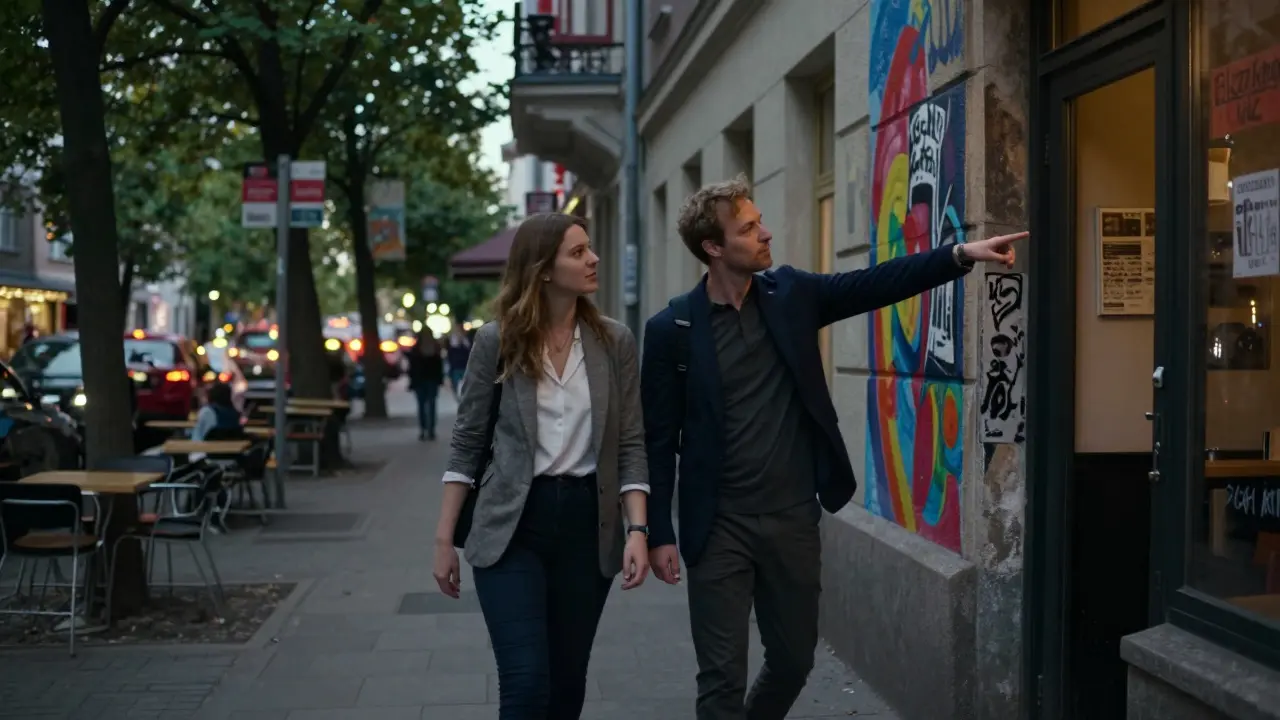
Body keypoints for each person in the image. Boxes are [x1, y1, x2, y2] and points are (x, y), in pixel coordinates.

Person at [640, 176, 1026, 719]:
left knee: (794, 660)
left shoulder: (791, 295)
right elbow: (657, 440)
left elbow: (873, 283)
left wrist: (959, 255)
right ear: (713, 247)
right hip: (719, 524)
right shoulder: (673, 330)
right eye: (749, 228)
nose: (766, 232)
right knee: (721, 678)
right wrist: (657, 531)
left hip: (792, 516)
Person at [432, 212, 651, 720]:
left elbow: (631, 442)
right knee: (526, 685)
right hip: (513, 526)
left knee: (566, 687)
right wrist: (445, 540)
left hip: (586, 525)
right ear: (543, 269)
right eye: (578, 252)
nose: (594, 259)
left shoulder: (614, 342)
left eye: (590, 248)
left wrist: (637, 527)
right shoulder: (498, 340)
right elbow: (467, 443)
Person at [407, 332, 444, 440]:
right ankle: (430, 430)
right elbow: (439, 367)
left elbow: (412, 368)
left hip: (421, 381)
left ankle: (424, 429)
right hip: (431, 380)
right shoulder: (435, 349)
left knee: (422, 405)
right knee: (431, 405)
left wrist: (412, 382)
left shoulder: (416, 350)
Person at [445, 325, 472, 399]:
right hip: (455, 369)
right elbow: (449, 358)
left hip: (465, 369)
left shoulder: (467, 342)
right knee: (456, 389)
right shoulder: (452, 344)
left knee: (465, 389)